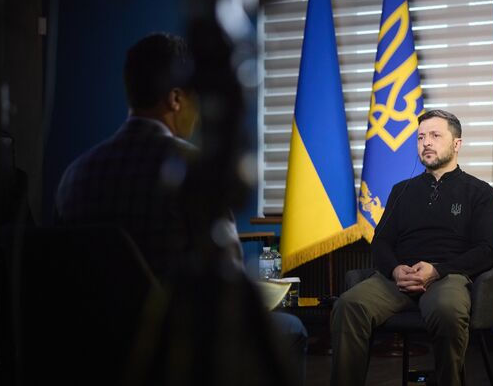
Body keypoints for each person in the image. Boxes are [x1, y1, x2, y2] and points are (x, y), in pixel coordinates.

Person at [54, 32, 307, 384]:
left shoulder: (74, 175)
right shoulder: (194, 170)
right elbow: (229, 286)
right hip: (175, 353)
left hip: (86, 351)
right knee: (291, 329)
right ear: (175, 99)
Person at [330, 109, 493, 386]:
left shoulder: (479, 192)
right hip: (398, 278)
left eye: (435, 135)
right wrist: (395, 270)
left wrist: (437, 270)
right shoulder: (401, 190)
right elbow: (381, 242)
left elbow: (486, 250)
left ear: (457, 143)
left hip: (447, 277)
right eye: (421, 137)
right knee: (348, 306)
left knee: (448, 311)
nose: (426, 142)